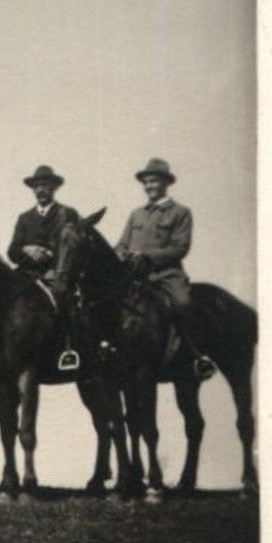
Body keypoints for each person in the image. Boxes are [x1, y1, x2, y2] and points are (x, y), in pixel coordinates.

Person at [115, 158, 216, 379]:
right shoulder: (137, 214)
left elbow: (180, 247)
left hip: (165, 276)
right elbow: (122, 244)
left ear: (165, 183)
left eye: (153, 181)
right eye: (146, 182)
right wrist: (120, 255)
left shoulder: (180, 212)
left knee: (184, 303)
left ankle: (197, 356)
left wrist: (147, 257)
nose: (149, 186)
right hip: (134, 277)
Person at [7, 165, 80, 280]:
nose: (40, 190)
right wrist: (27, 249)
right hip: (26, 278)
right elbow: (12, 252)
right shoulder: (24, 218)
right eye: (37, 186)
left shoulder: (68, 214)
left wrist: (52, 264)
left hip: (57, 278)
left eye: (45, 185)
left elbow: (73, 250)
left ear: (54, 187)